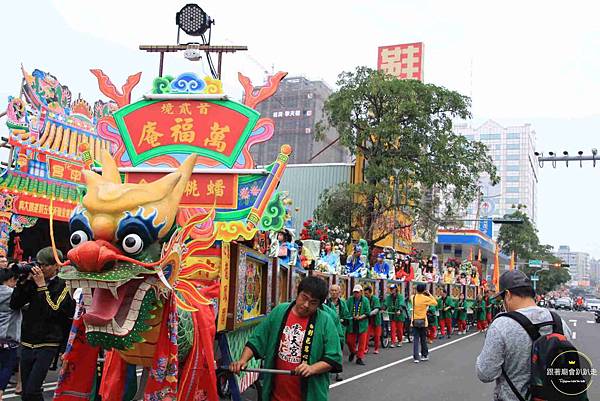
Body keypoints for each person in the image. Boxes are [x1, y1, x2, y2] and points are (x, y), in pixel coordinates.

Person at [230, 276, 342, 401]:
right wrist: (242, 360)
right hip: (276, 394)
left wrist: (312, 368)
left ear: (319, 305)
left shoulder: (326, 321)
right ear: (297, 293)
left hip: (310, 394)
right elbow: (258, 338)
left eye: (313, 302)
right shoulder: (280, 311)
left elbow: (334, 357)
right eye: (304, 298)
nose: (306, 305)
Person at [476, 270, 571, 401]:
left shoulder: (501, 324)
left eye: (502, 299)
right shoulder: (558, 322)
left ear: (508, 295)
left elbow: (485, 373)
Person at [10, 248, 75, 401]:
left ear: (56, 266)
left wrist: (42, 287)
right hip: (27, 341)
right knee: (26, 392)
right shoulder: (33, 281)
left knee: (33, 390)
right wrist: (22, 283)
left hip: (48, 343)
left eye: (45, 265)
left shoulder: (64, 285)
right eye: (39, 264)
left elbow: (53, 311)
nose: (41, 268)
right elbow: (15, 304)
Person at [0, 267, 21, 400]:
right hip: (8, 337)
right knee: (7, 366)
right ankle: (0, 391)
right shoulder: (13, 294)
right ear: (11, 279)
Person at [325, 284, 350, 381]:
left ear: (339, 292)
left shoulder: (343, 303)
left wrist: (341, 320)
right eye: (332, 290)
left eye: (336, 291)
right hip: (328, 329)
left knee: (339, 351)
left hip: (339, 330)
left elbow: (347, 317)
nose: (334, 292)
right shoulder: (326, 303)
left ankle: (338, 372)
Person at [410, 283, 437, 363]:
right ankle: (424, 355)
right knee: (423, 339)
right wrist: (429, 294)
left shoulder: (413, 297)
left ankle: (416, 357)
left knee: (416, 340)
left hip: (414, 321)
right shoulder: (425, 298)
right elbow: (435, 303)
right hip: (423, 321)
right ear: (424, 290)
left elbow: (412, 294)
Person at [345, 284, 370, 366]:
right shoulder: (350, 300)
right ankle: (353, 352)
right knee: (349, 341)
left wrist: (360, 317)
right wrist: (351, 317)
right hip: (352, 322)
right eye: (354, 292)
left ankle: (359, 358)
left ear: (361, 292)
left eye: (357, 292)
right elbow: (346, 310)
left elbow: (367, 312)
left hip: (362, 323)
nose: (356, 294)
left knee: (362, 342)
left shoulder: (365, 300)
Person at [363, 286, 382, 355]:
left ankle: (376, 349)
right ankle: (365, 348)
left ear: (371, 293)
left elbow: (376, 309)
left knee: (377, 336)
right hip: (368, 321)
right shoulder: (364, 299)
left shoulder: (375, 299)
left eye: (367, 293)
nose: (365, 295)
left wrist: (368, 314)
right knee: (366, 335)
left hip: (376, 320)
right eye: (364, 293)